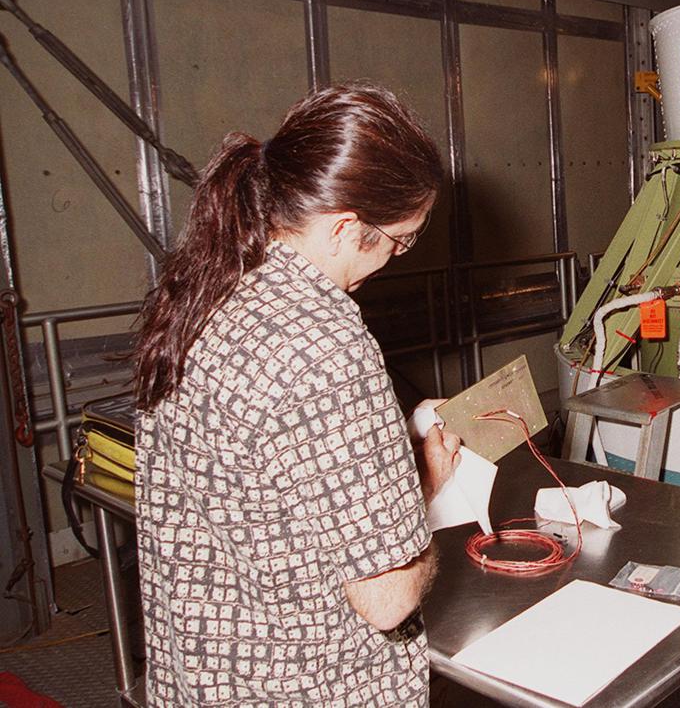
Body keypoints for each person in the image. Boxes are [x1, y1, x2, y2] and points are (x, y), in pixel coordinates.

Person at [131, 83, 461, 706]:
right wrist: (421, 496)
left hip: (199, 680)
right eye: (402, 238)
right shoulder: (328, 343)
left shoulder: (198, 295)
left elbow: (271, 511)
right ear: (344, 226)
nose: (396, 256)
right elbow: (386, 599)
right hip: (306, 686)